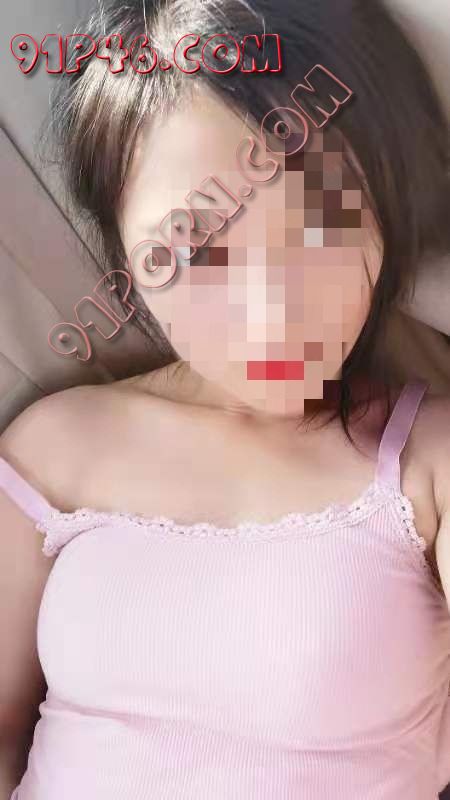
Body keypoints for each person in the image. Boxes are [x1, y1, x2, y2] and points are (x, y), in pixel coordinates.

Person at [1, 0, 450, 798]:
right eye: (192, 249)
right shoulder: (55, 450)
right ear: (125, 259)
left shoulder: (428, 462)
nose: (270, 313)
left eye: (321, 223)